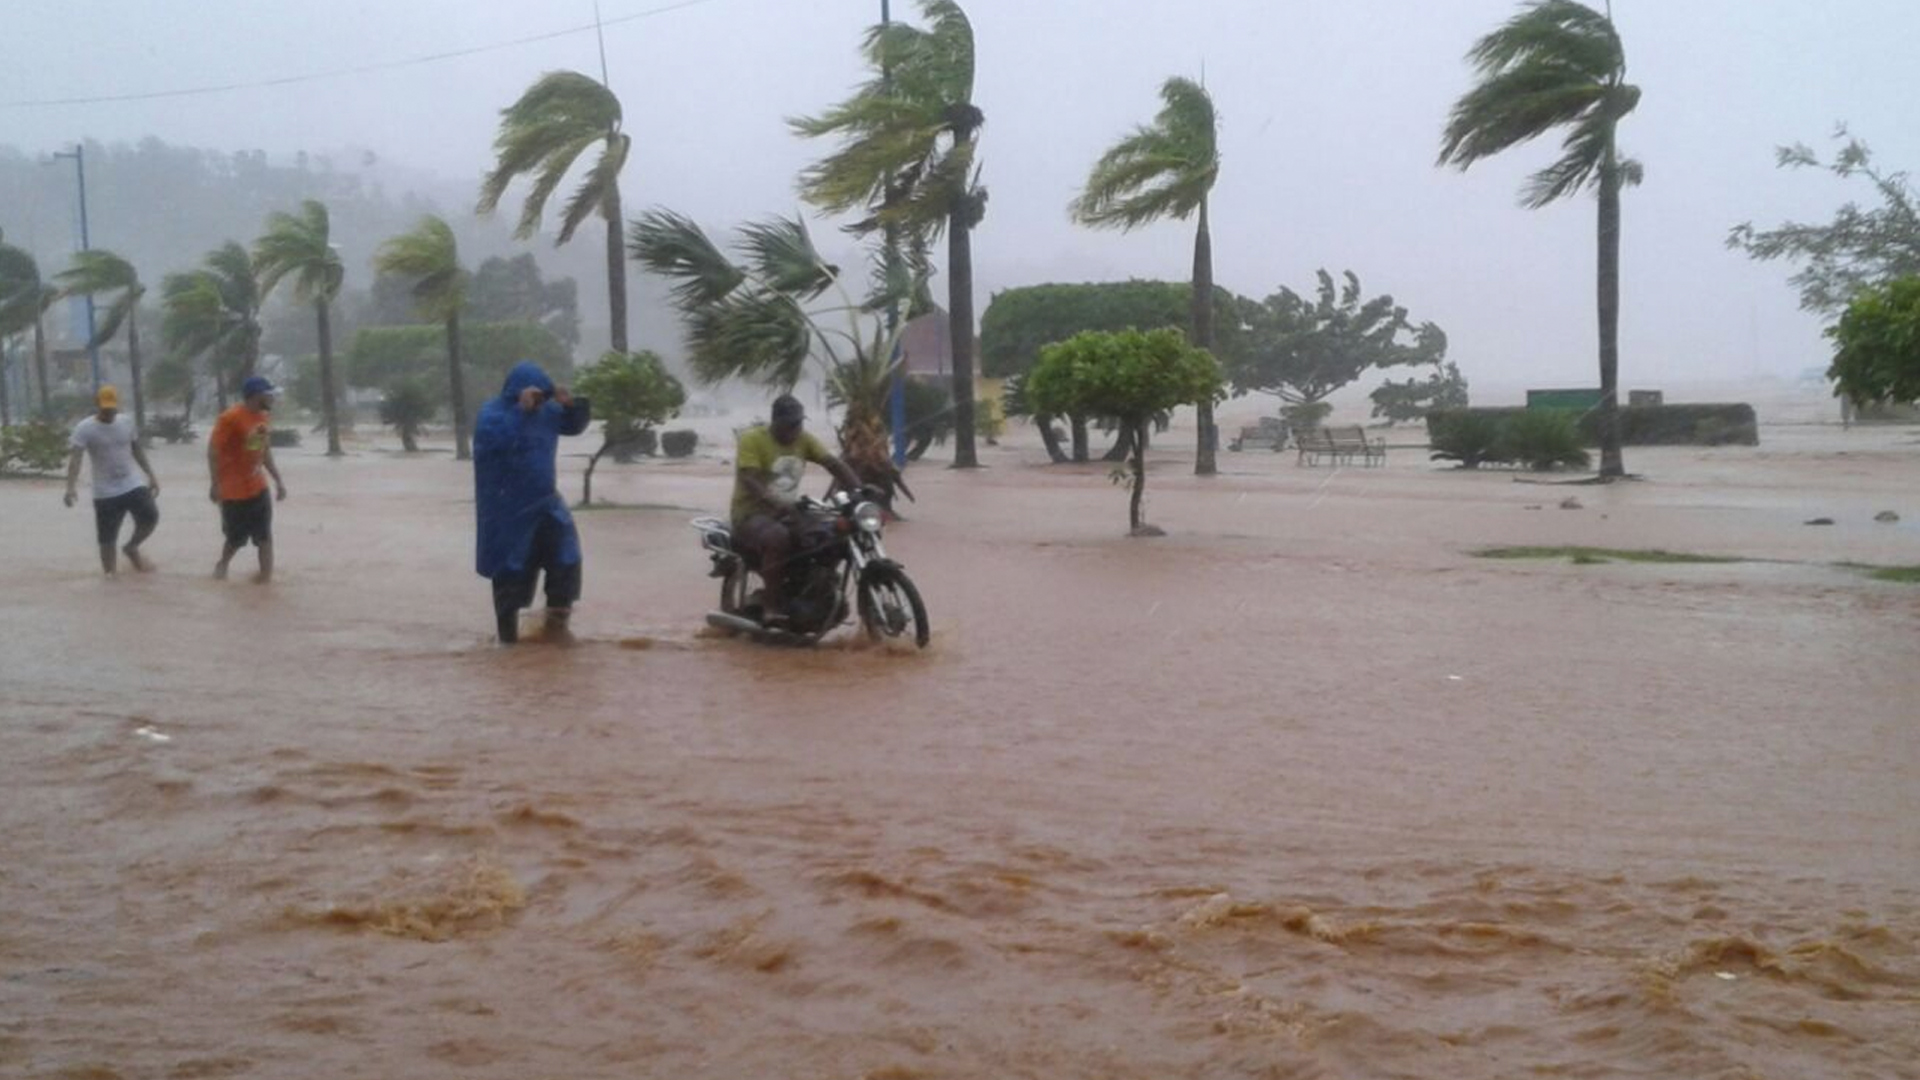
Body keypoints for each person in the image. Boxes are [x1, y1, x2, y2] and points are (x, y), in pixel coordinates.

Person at [474, 361, 591, 645]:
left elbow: (574, 426)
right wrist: (520, 411)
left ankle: (555, 633)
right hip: (506, 511)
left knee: (566, 559)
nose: (540, 402)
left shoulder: (548, 412)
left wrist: (572, 404)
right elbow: (492, 443)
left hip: (547, 503)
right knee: (510, 570)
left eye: (543, 396)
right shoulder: (492, 413)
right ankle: (508, 642)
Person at [731, 394, 862, 627]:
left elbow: (834, 464)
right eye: (790, 423)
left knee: (831, 534)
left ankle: (818, 590)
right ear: (775, 421)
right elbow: (750, 479)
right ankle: (771, 606)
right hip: (751, 514)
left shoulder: (804, 440)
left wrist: (860, 491)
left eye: (799, 422)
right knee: (777, 538)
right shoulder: (752, 440)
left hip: (788, 512)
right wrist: (775, 502)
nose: (795, 428)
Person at [63, 385, 161, 576]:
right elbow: (75, 459)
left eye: (112, 408)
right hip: (105, 491)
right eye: (105, 409)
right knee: (107, 539)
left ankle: (132, 547)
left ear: (118, 406)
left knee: (151, 515)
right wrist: (70, 488)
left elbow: (137, 449)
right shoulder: (85, 428)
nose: (109, 413)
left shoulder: (126, 423)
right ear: (97, 405)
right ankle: (110, 576)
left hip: (132, 483)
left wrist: (151, 475)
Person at [208, 376, 289, 583]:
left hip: (258, 487)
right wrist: (215, 484)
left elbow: (262, 451)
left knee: (264, 537)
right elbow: (213, 451)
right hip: (233, 490)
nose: (271, 399)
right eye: (268, 395)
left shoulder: (263, 418)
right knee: (236, 539)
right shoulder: (230, 418)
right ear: (255, 396)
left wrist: (278, 481)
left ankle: (265, 580)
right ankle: (223, 564)